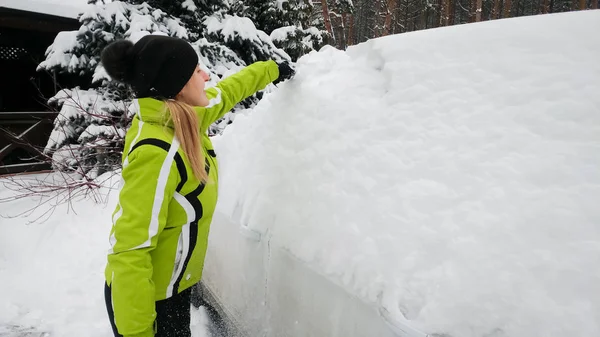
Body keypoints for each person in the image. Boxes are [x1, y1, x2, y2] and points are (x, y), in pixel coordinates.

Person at [100, 34, 295, 337]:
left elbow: (229, 90)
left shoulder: (184, 118)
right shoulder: (157, 153)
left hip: (172, 289)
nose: (206, 75)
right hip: (146, 301)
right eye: (195, 71)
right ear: (176, 86)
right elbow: (129, 251)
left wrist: (273, 70)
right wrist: (138, 332)